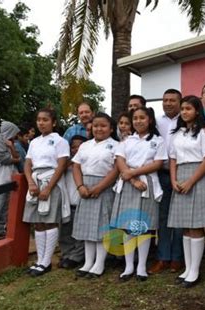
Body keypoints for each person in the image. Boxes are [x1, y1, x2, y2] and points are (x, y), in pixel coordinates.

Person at [111, 107, 166, 282]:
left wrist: (134, 174)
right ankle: (128, 266)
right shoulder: (127, 141)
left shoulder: (158, 141)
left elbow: (157, 164)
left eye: (142, 117)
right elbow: (120, 160)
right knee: (128, 225)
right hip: (129, 183)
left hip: (146, 184)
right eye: (135, 118)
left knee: (143, 225)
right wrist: (132, 179)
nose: (138, 121)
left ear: (150, 120)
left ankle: (141, 266)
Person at [168, 95, 205, 288]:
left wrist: (191, 181)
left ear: (197, 111)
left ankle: (195, 271)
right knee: (185, 226)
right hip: (180, 174)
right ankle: (187, 268)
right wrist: (173, 179)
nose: (184, 112)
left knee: (196, 225)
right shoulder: (177, 133)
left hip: (199, 176)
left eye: (188, 108)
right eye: (183, 109)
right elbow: (172, 158)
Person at [23, 109, 71, 277]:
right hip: (35, 181)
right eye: (39, 120)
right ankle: (39, 259)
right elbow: (28, 164)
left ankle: (46, 261)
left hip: (51, 181)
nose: (41, 123)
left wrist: (49, 188)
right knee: (38, 222)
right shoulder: (34, 142)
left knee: (49, 221)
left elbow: (61, 165)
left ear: (54, 122)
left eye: (45, 120)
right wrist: (30, 182)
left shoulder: (60, 141)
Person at [72, 113, 118, 278]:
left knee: (101, 226)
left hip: (104, 187)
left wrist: (99, 187)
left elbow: (116, 169)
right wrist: (80, 186)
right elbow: (76, 166)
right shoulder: (85, 145)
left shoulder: (116, 146)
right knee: (87, 225)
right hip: (85, 187)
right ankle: (88, 262)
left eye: (103, 125)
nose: (99, 129)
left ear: (111, 128)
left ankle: (99, 263)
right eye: (96, 125)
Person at [149, 89, 184, 274]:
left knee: (178, 218)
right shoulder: (157, 122)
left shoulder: (186, 120)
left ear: (180, 102)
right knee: (162, 218)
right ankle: (163, 257)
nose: (168, 103)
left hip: (181, 174)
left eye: (172, 100)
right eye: (165, 100)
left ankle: (177, 258)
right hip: (160, 174)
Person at [58, 135, 86, 270]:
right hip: (67, 203)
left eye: (79, 146)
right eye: (73, 147)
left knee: (80, 232)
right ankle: (67, 253)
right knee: (65, 231)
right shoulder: (66, 164)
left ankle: (76, 256)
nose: (76, 149)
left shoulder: (85, 163)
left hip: (80, 202)